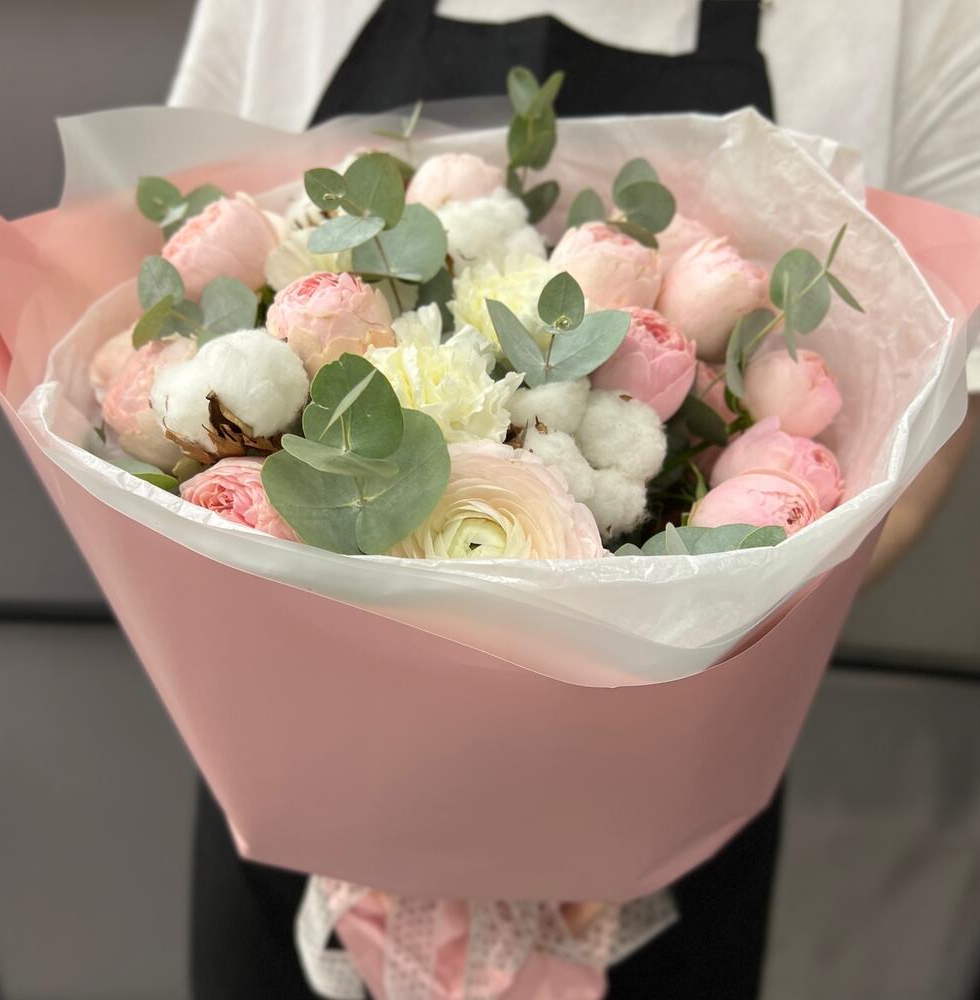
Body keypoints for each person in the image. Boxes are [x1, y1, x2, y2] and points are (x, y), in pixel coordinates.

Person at [169, 1, 980, 997]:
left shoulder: (915, 18)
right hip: (303, 801)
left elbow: (933, 425)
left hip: (655, 811)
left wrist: (638, 695)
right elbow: (178, 283)